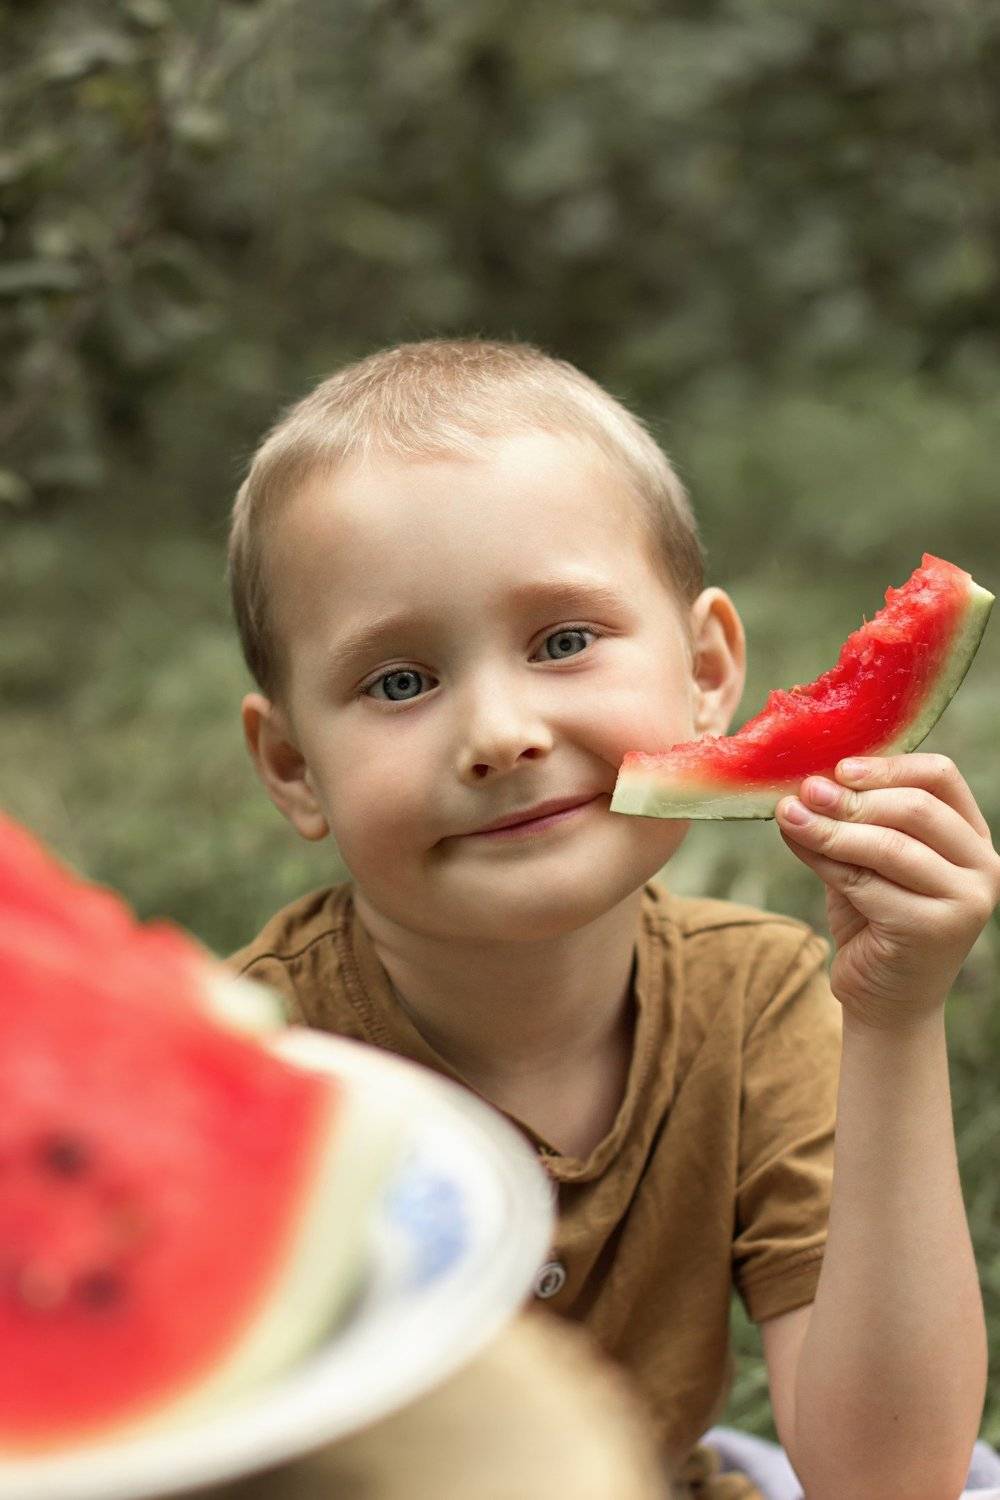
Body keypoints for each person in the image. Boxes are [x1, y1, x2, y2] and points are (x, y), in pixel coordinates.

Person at [225, 338, 1000, 1500]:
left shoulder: (755, 1001)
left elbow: (887, 1481)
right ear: (292, 767)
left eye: (563, 642)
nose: (501, 734)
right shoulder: (254, 1057)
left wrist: (895, 1021)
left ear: (707, 671)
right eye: (400, 682)